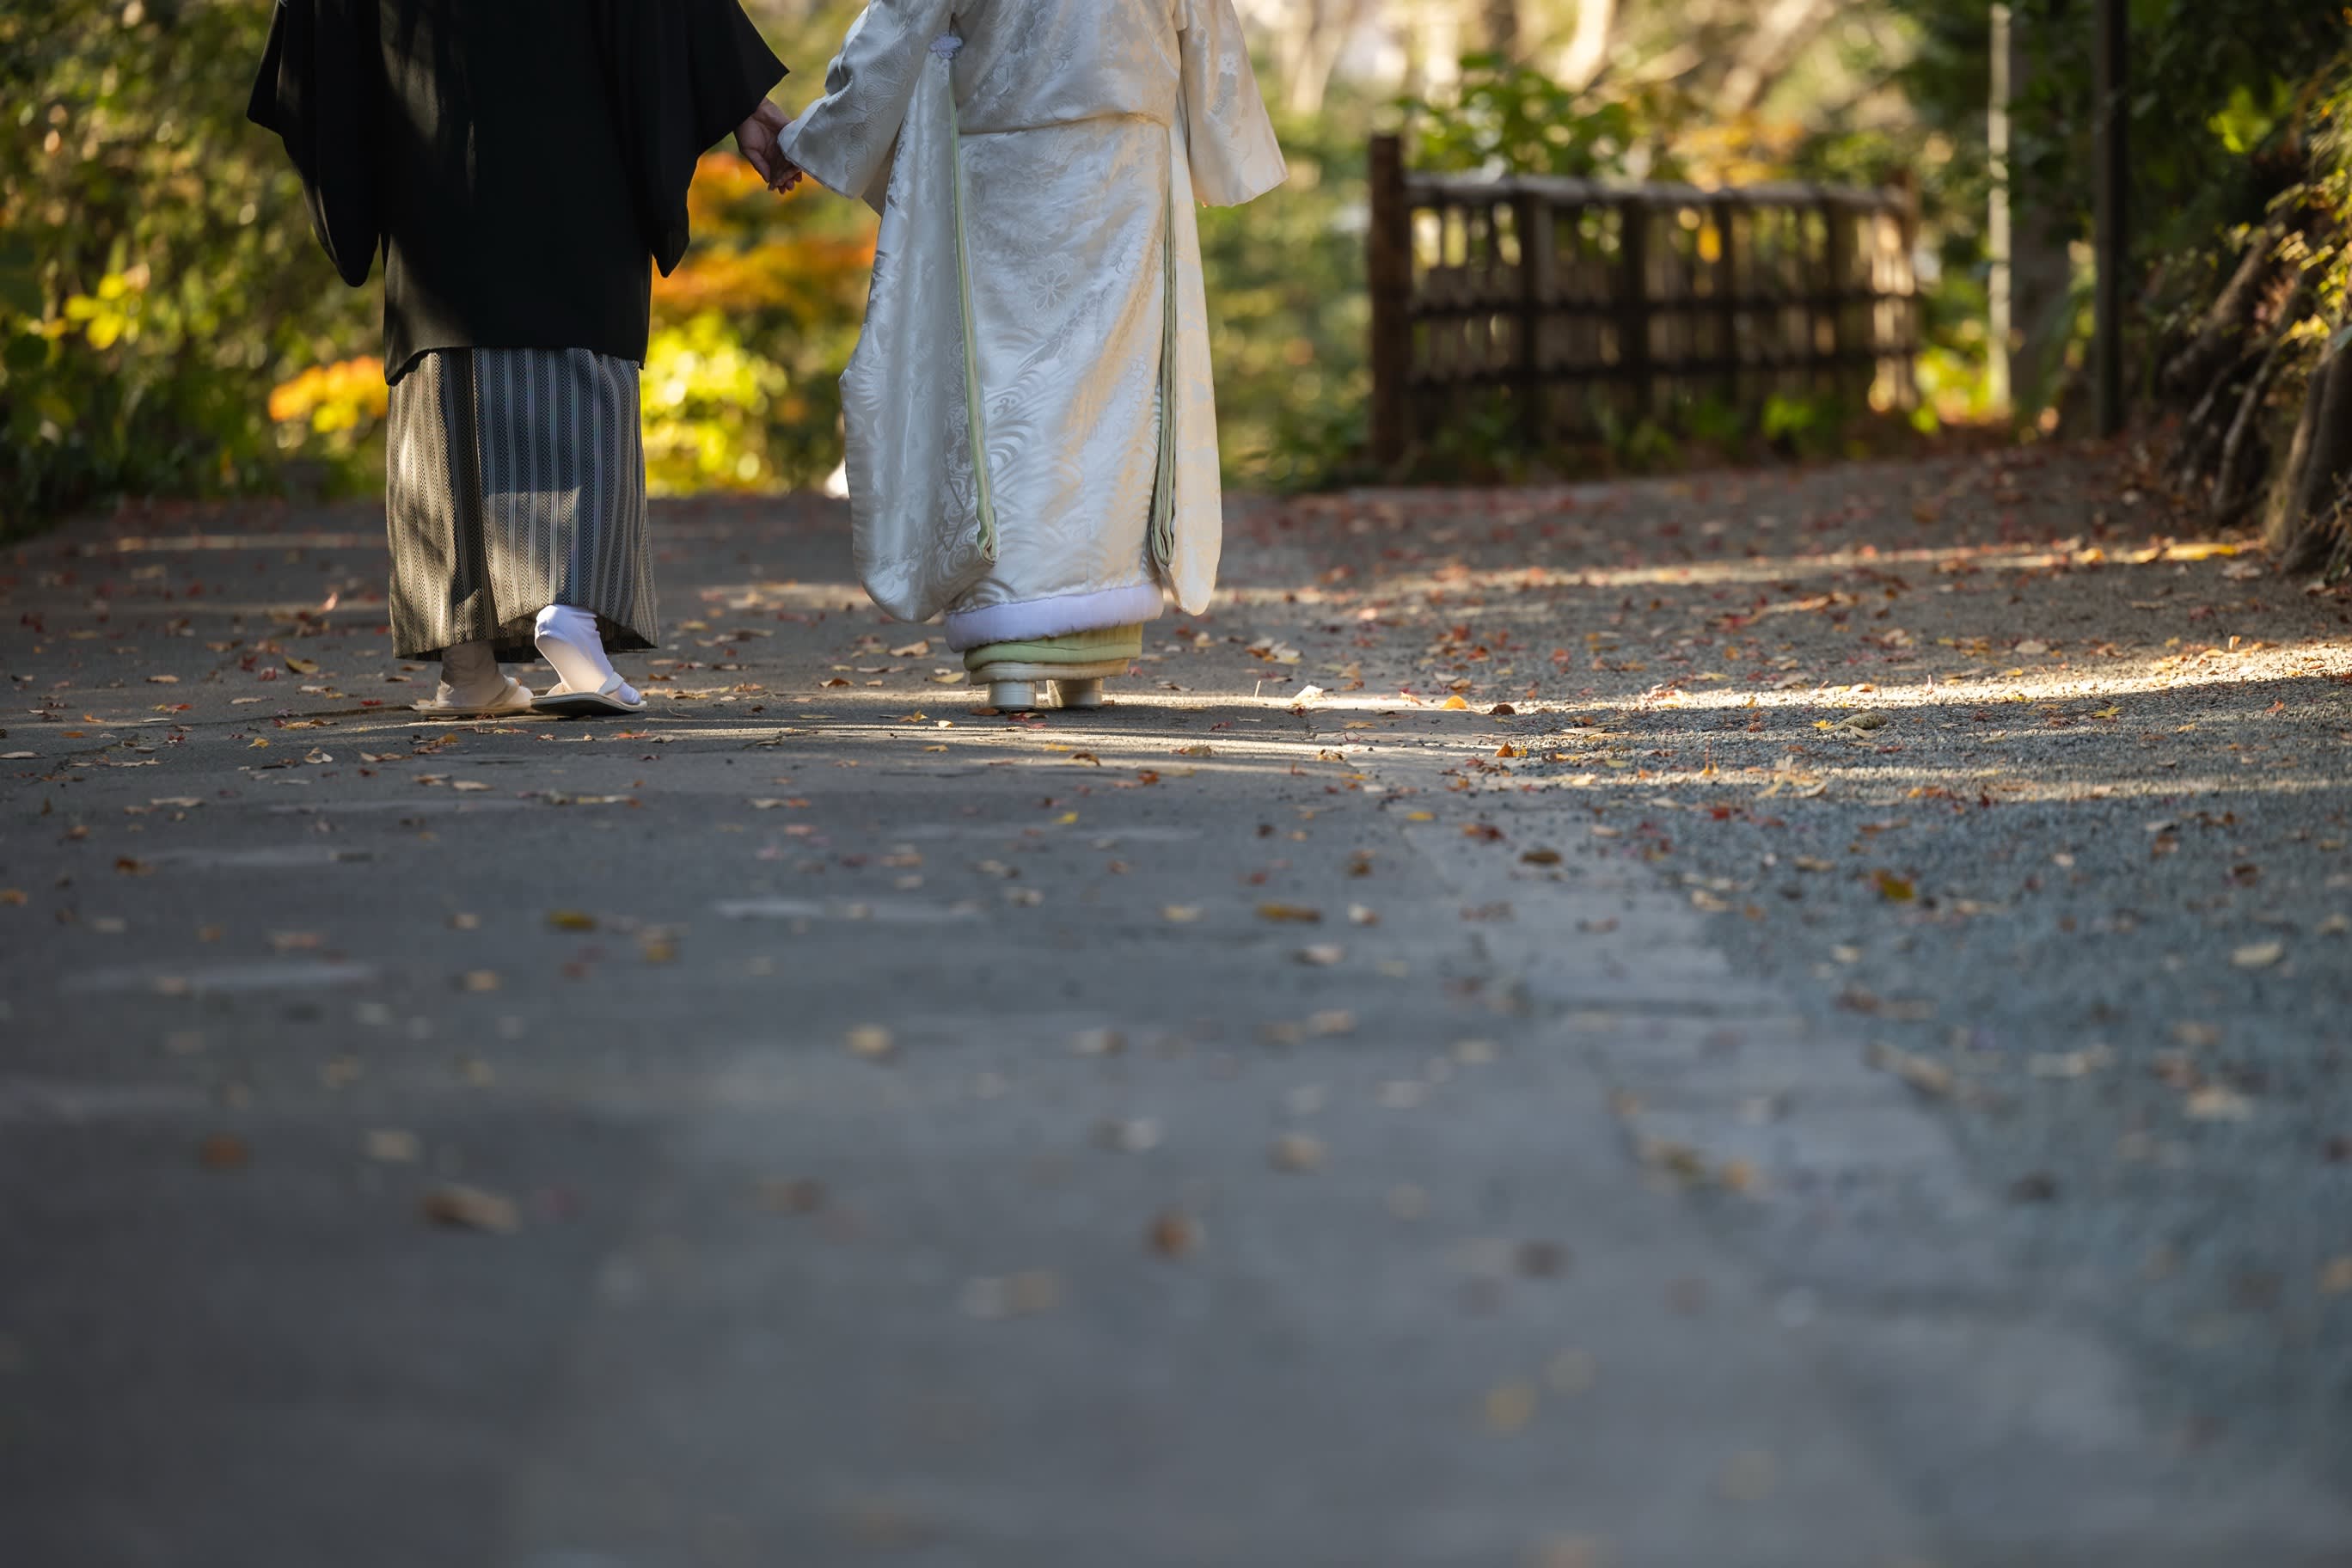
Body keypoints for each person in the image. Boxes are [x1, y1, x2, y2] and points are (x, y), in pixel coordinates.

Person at [250, 0, 793, 717]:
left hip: (436, 176)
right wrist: (741, 97)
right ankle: (569, 614)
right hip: (577, 170)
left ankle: (468, 670)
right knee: (574, 384)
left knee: (446, 399)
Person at [776, 0, 1286, 712]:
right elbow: (1205, 25)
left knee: (1002, 392)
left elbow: (903, 20)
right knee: (1115, 398)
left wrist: (821, 131)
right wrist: (1218, 140)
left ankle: (1012, 636)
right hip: (1126, 169)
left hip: (1003, 163)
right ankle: (1091, 638)